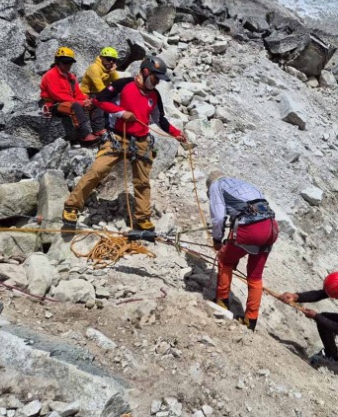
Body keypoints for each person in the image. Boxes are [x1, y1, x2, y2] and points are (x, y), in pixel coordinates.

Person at [61, 56, 186, 230]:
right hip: (117, 139)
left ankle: (143, 218)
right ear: (145, 71)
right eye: (155, 78)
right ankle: (72, 206)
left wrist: (177, 134)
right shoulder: (123, 85)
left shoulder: (154, 96)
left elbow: (159, 119)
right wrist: (121, 113)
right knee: (97, 171)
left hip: (142, 142)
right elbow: (100, 100)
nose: (157, 82)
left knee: (142, 182)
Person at [208, 171, 279, 332]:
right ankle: (250, 320)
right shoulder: (243, 184)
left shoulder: (216, 186)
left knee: (224, 260)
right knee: (255, 277)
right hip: (272, 227)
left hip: (251, 229)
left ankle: (222, 301)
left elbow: (218, 218)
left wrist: (217, 241)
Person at [40, 46, 104, 144]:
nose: (68, 65)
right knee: (76, 106)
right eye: (65, 62)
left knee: (96, 102)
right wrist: (81, 102)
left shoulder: (71, 77)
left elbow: (77, 93)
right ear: (58, 62)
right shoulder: (50, 75)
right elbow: (57, 96)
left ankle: (98, 129)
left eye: (70, 62)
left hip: (71, 102)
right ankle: (84, 135)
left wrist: (86, 101)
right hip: (55, 105)